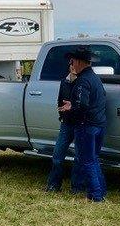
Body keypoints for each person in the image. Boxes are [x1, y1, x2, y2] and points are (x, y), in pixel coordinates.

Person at [58, 45, 108, 202]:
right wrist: (74, 105)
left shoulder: (83, 81)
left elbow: (82, 106)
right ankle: (101, 191)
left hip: (86, 126)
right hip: (99, 124)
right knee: (93, 159)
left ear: (79, 62)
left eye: (72, 61)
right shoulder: (95, 79)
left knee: (87, 160)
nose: (71, 64)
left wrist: (69, 109)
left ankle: (95, 195)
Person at [45, 56, 86, 194]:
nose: (74, 67)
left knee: (79, 157)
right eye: (72, 64)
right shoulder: (64, 82)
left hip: (79, 124)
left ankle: (77, 187)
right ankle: (53, 185)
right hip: (66, 124)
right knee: (57, 156)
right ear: (69, 66)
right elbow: (60, 101)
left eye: (76, 64)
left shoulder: (83, 82)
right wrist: (62, 116)